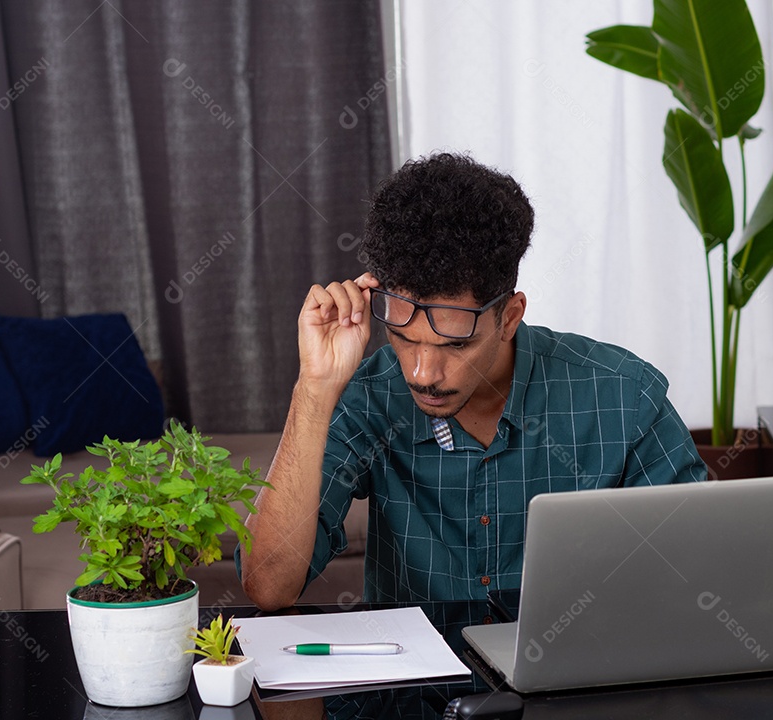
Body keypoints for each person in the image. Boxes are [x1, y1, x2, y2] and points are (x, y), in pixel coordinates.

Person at [241, 153, 706, 610]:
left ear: (510, 317)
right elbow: (269, 587)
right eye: (403, 338)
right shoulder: (368, 395)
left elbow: (699, 576)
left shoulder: (626, 397)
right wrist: (315, 387)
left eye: (455, 347)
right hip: (416, 687)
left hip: (576, 681)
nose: (423, 374)